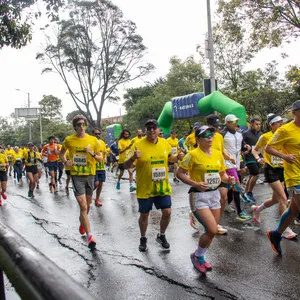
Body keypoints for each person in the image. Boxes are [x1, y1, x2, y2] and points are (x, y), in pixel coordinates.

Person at [177, 126, 235, 274]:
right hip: (199, 195)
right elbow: (180, 173)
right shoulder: (192, 154)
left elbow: (222, 175)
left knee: (212, 232)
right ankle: (197, 256)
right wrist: (195, 183)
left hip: (214, 195)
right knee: (211, 229)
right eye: (206, 135)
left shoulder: (217, 154)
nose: (210, 137)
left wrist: (230, 179)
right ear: (197, 139)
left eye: (211, 135)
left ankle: (199, 256)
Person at [124, 119, 184, 252]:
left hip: (162, 186)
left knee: (167, 212)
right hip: (145, 188)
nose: (151, 130)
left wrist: (178, 157)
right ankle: (143, 238)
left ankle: (161, 235)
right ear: (145, 130)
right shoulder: (137, 145)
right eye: (149, 127)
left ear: (158, 129)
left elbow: (170, 158)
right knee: (145, 215)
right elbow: (126, 165)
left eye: (154, 127)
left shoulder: (164, 143)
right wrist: (133, 157)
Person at [59, 114, 102, 250]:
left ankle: (82, 222)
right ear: (75, 127)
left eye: (83, 124)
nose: (81, 127)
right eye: (78, 125)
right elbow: (62, 153)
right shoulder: (69, 140)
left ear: (86, 126)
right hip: (76, 176)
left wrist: (92, 153)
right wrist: (66, 161)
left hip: (90, 175)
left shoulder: (93, 140)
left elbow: (100, 158)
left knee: (88, 206)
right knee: (83, 206)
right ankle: (90, 237)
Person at [251, 114, 297, 239]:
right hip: (270, 169)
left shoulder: (286, 133)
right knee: (283, 198)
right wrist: (258, 158)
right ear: (271, 124)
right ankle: (284, 229)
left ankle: (257, 209)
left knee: (275, 199)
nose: (281, 124)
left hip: (283, 169)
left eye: (282, 122)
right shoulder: (265, 137)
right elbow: (255, 150)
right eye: (278, 123)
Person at [265, 100, 300, 255]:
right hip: (295, 176)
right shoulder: (285, 130)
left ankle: (276, 234)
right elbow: (268, 148)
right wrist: (284, 156)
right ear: (294, 113)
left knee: (292, 210)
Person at [220, 114, 252, 222]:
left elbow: (242, 147)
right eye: (233, 122)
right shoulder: (222, 134)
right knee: (237, 186)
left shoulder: (239, 134)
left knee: (230, 186)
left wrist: (246, 148)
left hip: (237, 163)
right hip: (227, 164)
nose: (235, 124)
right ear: (227, 123)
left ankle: (225, 205)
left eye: (236, 121)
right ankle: (240, 212)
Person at [241, 118, 262, 203]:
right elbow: (241, 143)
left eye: (259, 124)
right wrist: (244, 148)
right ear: (251, 124)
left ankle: (245, 193)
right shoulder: (245, 134)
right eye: (256, 124)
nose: (258, 126)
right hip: (249, 157)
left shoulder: (261, 134)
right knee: (256, 174)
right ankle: (249, 192)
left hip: (258, 157)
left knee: (251, 175)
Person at [91, 127, 107, 207]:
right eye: (95, 133)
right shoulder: (89, 142)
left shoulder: (102, 142)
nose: (97, 135)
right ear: (92, 134)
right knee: (96, 183)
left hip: (101, 167)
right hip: (93, 166)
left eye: (98, 134)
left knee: (100, 184)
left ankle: (97, 199)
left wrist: (105, 158)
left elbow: (104, 152)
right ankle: (88, 194)